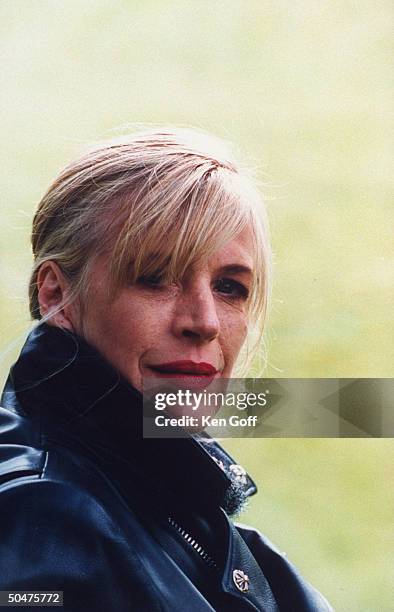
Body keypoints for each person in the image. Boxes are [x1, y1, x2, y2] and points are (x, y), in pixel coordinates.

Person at [0, 128, 332, 611]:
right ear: (56, 296)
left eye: (230, 287)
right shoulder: (44, 516)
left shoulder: (166, 493)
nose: (204, 322)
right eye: (154, 278)